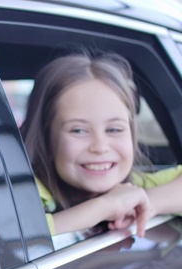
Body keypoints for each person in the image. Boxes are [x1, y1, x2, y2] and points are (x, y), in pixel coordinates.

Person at [21, 51, 182, 237]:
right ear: (46, 140)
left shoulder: (132, 186)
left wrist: (144, 202)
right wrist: (105, 206)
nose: (100, 147)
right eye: (78, 130)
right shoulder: (25, 194)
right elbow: (7, 242)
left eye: (114, 129)